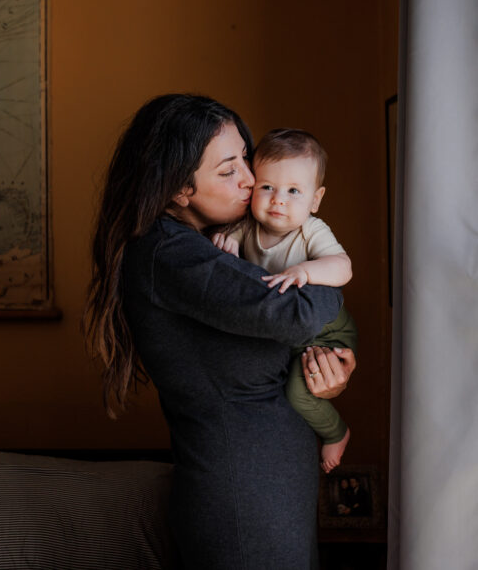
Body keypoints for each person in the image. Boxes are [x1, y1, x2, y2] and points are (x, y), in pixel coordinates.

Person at [83, 94, 357, 570]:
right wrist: (326, 292)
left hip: (264, 488)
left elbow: (280, 335)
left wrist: (325, 365)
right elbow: (300, 314)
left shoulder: (211, 245)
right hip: (242, 498)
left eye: (246, 161)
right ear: (177, 188)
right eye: (229, 170)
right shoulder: (172, 255)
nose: (253, 181)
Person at [211, 128, 357, 473]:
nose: (279, 199)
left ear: (315, 199)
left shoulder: (311, 230)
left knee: (299, 392)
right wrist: (224, 243)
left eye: (294, 191)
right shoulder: (245, 227)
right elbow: (224, 243)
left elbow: (343, 267)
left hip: (326, 334)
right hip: (288, 334)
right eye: (267, 187)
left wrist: (306, 271)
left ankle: (336, 432)